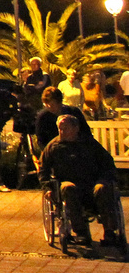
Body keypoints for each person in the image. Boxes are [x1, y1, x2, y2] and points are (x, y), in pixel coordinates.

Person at [40, 114, 122, 249]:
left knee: (102, 188)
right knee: (68, 187)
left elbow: (107, 164)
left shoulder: (89, 144)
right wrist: (47, 187)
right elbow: (43, 169)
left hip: (91, 183)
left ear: (76, 128)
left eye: (65, 128)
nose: (62, 132)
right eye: (60, 129)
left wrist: (108, 179)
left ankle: (109, 231)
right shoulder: (54, 146)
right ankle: (81, 232)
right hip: (68, 184)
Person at [35, 87, 90, 153]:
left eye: (52, 104)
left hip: (77, 149)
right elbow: (41, 140)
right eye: (46, 105)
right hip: (54, 151)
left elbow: (86, 132)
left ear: (59, 102)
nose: (49, 107)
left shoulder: (73, 112)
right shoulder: (42, 117)